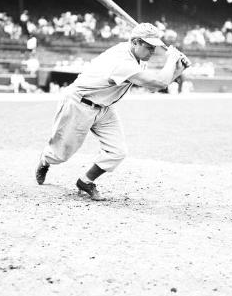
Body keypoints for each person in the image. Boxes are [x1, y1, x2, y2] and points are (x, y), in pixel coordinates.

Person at [35, 23, 190, 201]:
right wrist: (171, 60)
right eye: (148, 46)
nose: (152, 51)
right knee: (60, 154)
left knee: (117, 151)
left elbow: (155, 86)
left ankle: (85, 181)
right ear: (135, 42)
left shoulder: (135, 56)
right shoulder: (122, 61)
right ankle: (45, 160)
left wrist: (178, 69)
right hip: (79, 104)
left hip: (104, 107)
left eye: (154, 47)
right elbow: (159, 83)